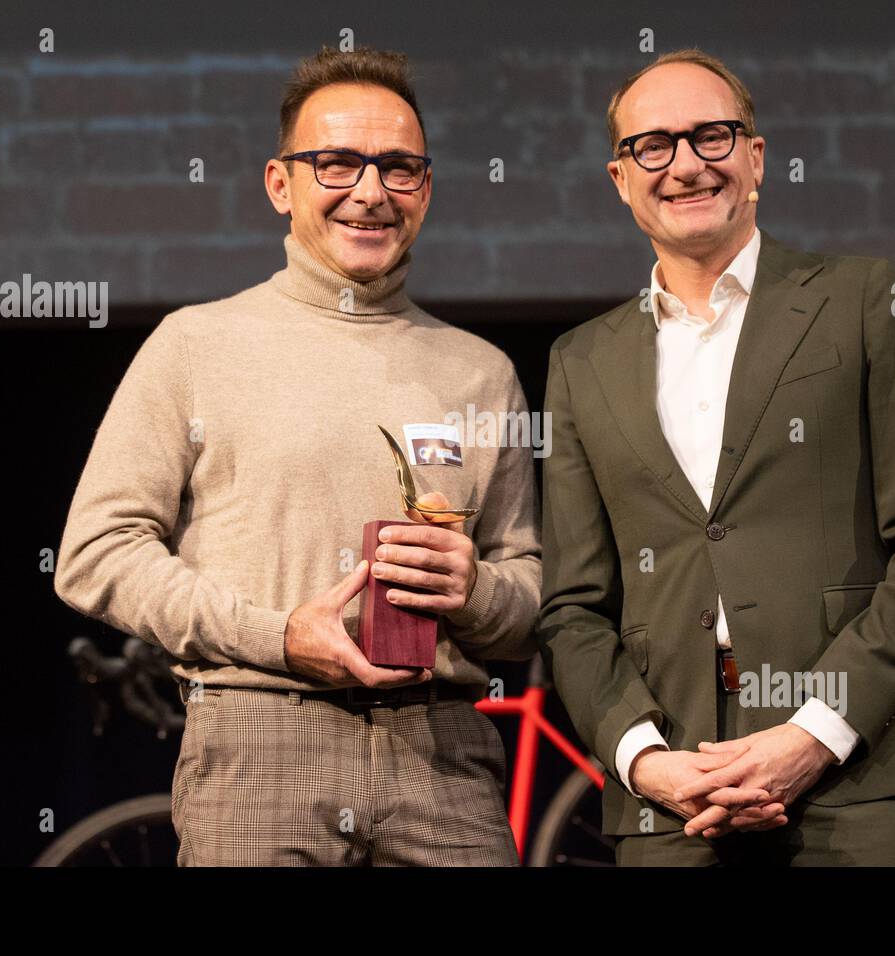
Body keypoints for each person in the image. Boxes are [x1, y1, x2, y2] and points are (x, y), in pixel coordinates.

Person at [54, 46, 540, 866]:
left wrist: (476, 588)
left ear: (426, 189)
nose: (371, 191)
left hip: (445, 756)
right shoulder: (196, 345)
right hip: (258, 746)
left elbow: (528, 597)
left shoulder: (480, 371)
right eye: (339, 163)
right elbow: (95, 555)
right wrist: (278, 637)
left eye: (399, 168)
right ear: (281, 184)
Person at [537, 49, 895, 866]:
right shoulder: (579, 360)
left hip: (856, 787)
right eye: (654, 146)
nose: (687, 166)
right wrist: (644, 761)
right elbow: (572, 605)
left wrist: (813, 734)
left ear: (756, 157)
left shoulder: (866, 300)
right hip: (671, 806)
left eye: (712, 136)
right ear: (620, 178)